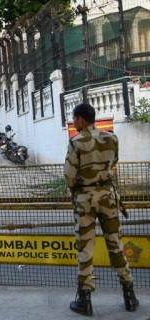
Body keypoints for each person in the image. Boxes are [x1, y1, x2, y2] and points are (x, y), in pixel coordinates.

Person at [64, 103, 139, 316]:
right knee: (115, 243)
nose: (75, 122)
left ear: (81, 119)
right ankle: (129, 296)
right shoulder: (111, 138)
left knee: (85, 247)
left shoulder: (76, 142)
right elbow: (113, 162)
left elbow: (69, 175)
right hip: (108, 197)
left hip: (85, 198)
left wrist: (74, 191)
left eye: (75, 119)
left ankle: (85, 301)